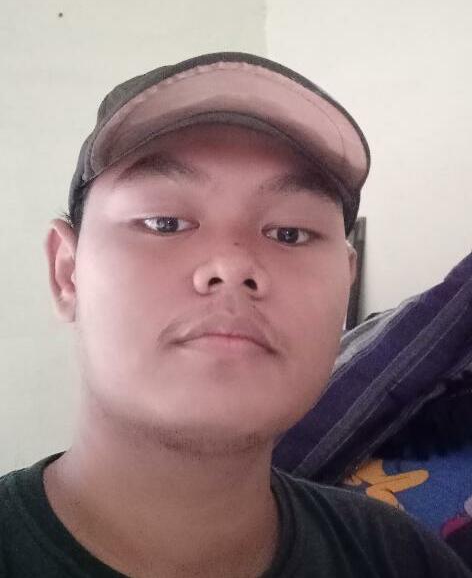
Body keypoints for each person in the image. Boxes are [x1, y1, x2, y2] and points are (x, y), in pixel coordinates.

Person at [1, 52, 470, 578]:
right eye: (164, 223)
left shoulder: (403, 559)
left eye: (289, 233)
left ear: (346, 285)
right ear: (67, 273)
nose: (232, 264)